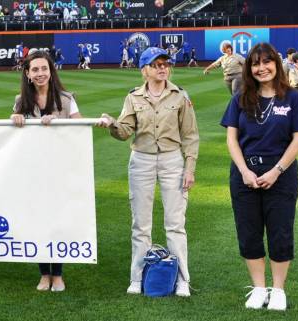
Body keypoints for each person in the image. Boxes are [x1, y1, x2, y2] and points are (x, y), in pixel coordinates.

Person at [97, 47, 198, 297]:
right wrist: (112, 124)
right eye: (156, 65)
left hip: (172, 160)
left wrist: (189, 168)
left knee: (175, 224)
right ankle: (137, 277)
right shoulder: (133, 97)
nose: (163, 68)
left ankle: (183, 280)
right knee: (140, 224)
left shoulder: (180, 96)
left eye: (165, 64)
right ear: (145, 70)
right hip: (141, 160)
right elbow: (124, 132)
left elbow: (190, 135)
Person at [220, 43, 298, 311]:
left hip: (280, 173)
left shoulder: (292, 98)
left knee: (280, 232)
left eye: (266, 62)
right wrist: (244, 171)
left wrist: (276, 171)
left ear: (276, 63)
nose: (261, 68)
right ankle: (259, 288)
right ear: (249, 68)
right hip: (244, 174)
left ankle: (278, 290)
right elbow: (231, 139)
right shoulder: (240, 97)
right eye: (255, 63)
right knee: (249, 233)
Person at [10, 51, 83, 292]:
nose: (40, 73)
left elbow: (79, 129)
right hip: (33, 171)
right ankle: (44, 273)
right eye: (35, 70)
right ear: (27, 74)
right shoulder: (21, 100)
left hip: (61, 170)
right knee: (39, 221)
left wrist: (60, 122)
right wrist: (15, 117)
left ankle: (58, 274)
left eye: (44, 68)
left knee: (57, 221)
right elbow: (14, 136)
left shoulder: (66, 99)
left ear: (51, 71)